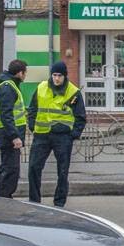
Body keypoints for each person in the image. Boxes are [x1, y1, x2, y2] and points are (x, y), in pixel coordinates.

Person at [26, 61, 87, 208]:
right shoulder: (41, 88)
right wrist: (32, 125)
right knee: (34, 168)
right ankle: (34, 201)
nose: (56, 78)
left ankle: (59, 202)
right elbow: (32, 108)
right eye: (54, 75)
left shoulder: (73, 92)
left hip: (62, 136)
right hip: (41, 134)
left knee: (63, 171)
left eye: (59, 75)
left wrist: (73, 134)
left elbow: (80, 116)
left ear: (64, 76)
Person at [0, 59, 28, 198]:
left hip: (6, 133)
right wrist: (15, 136)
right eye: (25, 73)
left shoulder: (7, 84)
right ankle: (4, 197)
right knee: (12, 169)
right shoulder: (8, 87)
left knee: (6, 166)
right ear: (20, 73)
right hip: (8, 135)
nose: (25, 76)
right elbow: (6, 114)